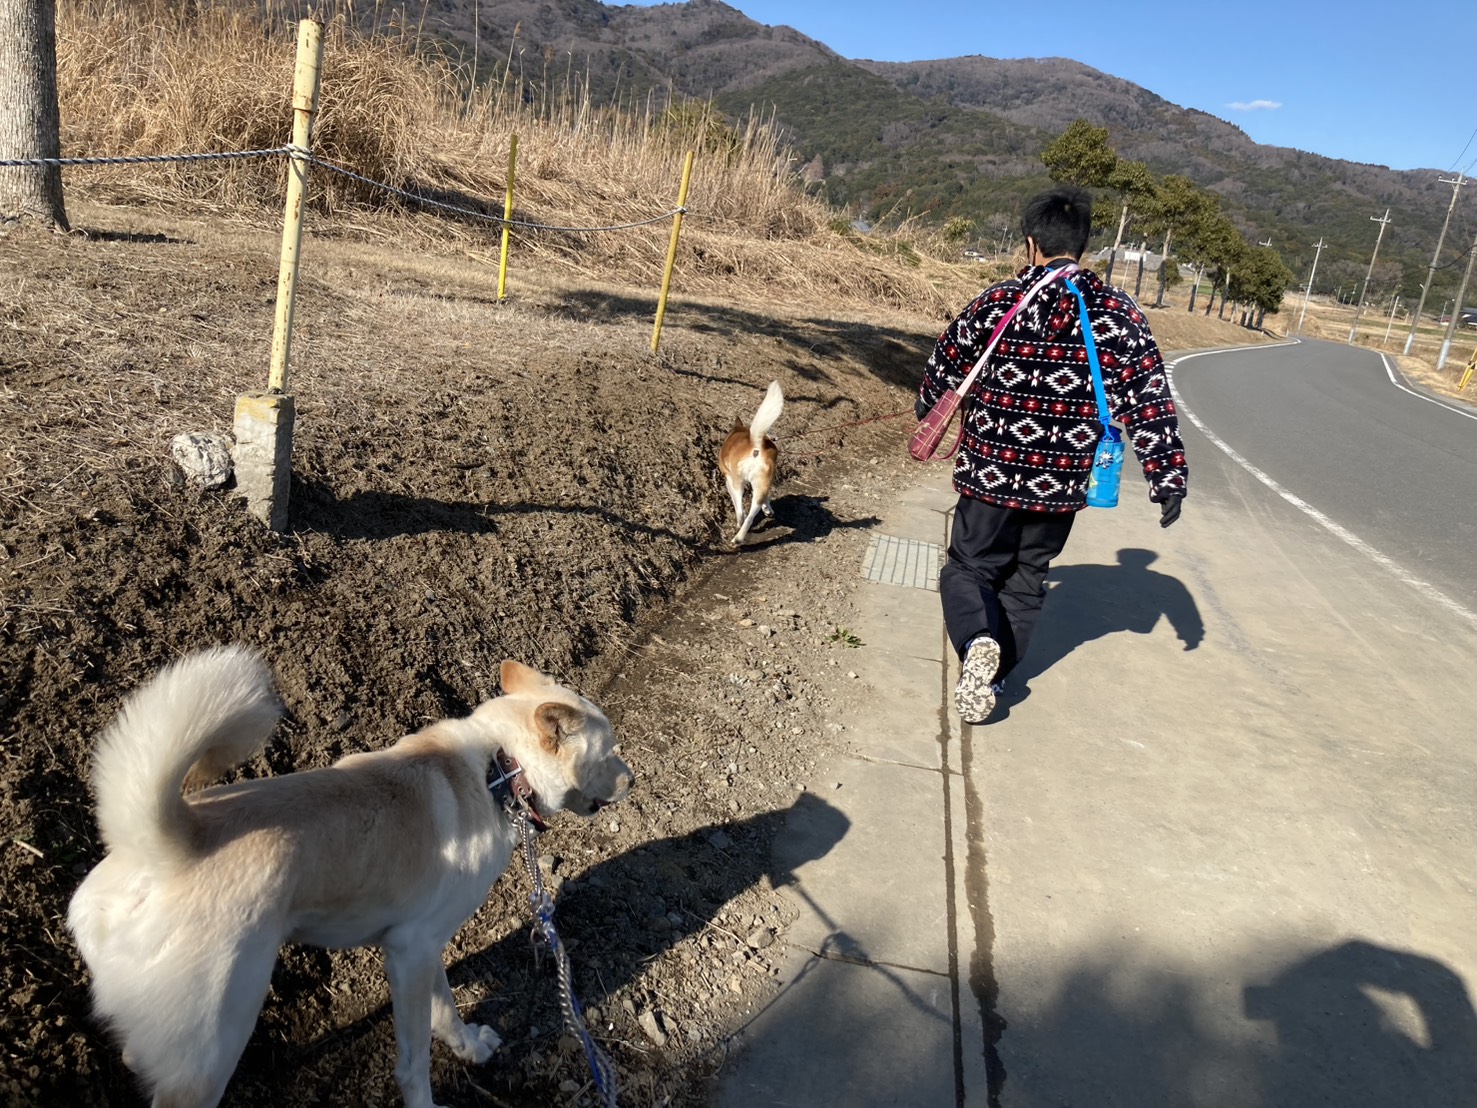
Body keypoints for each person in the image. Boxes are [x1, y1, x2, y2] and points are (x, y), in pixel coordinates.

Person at [915, 185, 1188, 723]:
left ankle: (977, 642)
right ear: (1083, 246)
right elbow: (1149, 397)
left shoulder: (997, 302)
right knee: (1027, 578)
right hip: (1060, 482)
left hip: (991, 471)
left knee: (969, 568)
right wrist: (1167, 475)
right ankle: (995, 676)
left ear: (1031, 244)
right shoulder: (1117, 312)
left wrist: (928, 407)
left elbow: (943, 365)